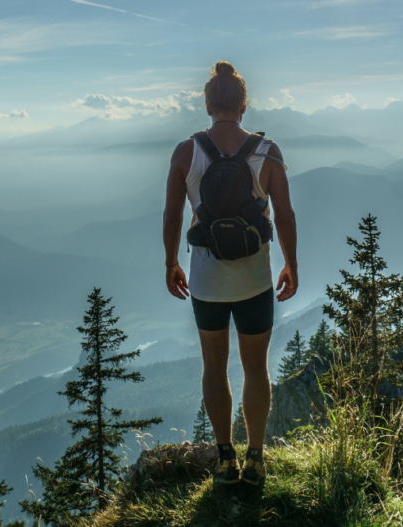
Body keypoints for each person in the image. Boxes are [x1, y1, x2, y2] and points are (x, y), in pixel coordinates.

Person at [163, 61, 298, 488]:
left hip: (207, 281)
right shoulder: (268, 152)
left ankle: (225, 459)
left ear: (207, 104)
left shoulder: (187, 152)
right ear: (244, 104)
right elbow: (286, 215)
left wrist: (171, 262)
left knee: (214, 366)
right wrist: (291, 264)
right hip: (255, 280)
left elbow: (172, 212)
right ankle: (256, 459)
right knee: (256, 369)